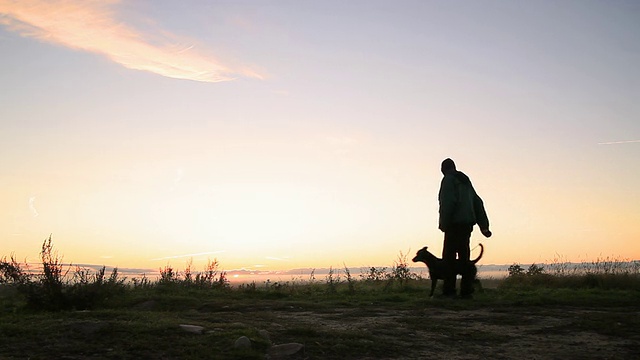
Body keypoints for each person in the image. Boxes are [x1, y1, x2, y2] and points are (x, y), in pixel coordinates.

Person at [438, 158, 491, 298]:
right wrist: (484, 226)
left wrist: (444, 223)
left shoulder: (448, 180)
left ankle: (449, 292)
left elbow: (448, 202)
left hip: (453, 225)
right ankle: (466, 292)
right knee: (464, 260)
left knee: (448, 260)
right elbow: (478, 203)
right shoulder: (466, 182)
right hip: (467, 226)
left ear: (443, 169)